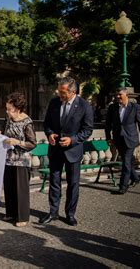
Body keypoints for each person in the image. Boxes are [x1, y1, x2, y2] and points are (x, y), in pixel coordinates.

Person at [40, 76, 93, 226]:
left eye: (62, 92)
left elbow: (88, 129)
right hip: (55, 150)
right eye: (59, 91)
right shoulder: (54, 102)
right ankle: (53, 212)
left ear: (73, 92)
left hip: (73, 151)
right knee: (54, 182)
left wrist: (73, 140)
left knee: (73, 184)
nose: (59, 95)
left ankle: (70, 214)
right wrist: (49, 134)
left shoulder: (84, 105)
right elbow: (47, 124)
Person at [0, 92, 37, 227]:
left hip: (21, 160)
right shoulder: (8, 119)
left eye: (10, 110)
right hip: (8, 158)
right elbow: (4, 132)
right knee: (9, 187)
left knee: (20, 189)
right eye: (6, 109)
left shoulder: (27, 122)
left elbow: (32, 143)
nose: (7, 112)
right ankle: (11, 213)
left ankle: (23, 217)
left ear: (18, 109)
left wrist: (17, 142)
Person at [105, 87, 140, 194]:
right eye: (116, 95)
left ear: (126, 95)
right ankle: (136, 178)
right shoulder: (112, 107)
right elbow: (107, 124)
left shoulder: (135, 107)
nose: (117, 96)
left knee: (126, 163)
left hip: (131, 139)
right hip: (118, 139)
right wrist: (108, 137)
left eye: (120, 94)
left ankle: (123, 186)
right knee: (126, 161)